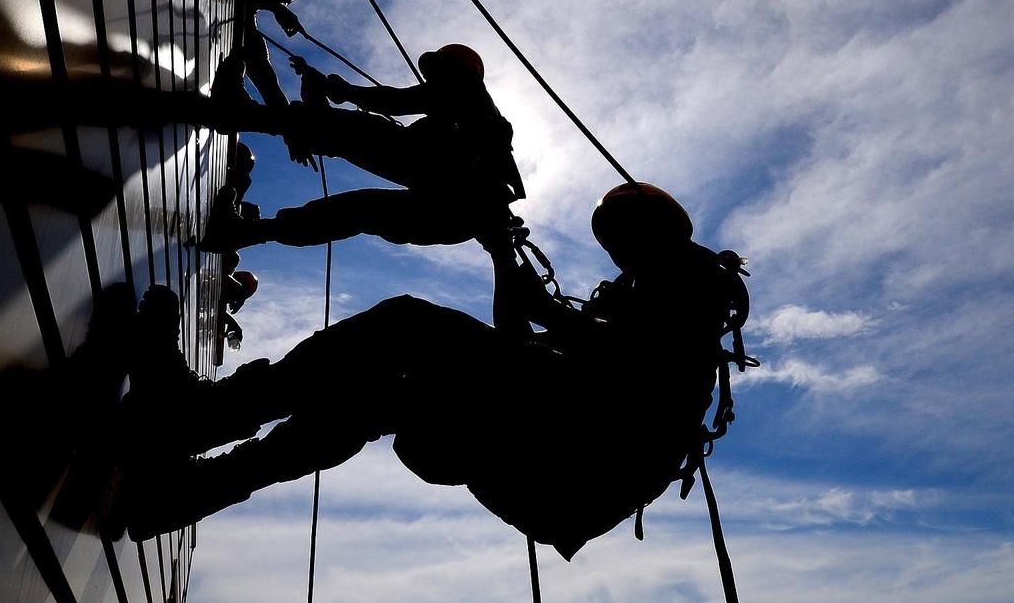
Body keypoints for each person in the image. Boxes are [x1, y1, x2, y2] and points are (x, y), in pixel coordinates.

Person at [116, 183, 753, 560]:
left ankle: (197, 418)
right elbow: (518, 344)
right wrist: (506, 261)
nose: (614, 256)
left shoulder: (693, 283)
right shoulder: (657, 290)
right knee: (378, 399)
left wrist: (549, 314)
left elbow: (630, 370)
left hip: (574, 455)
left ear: (651, 231)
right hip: (556, 460)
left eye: (616, 238)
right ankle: (185, 492)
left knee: (405, 323)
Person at [197, 43, 527, 251]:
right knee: (353, 209)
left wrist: (340, 90)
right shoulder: (472, 124)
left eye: (438, 71)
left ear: (456, 70)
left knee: (354, 146)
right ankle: (241, 233)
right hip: (459, 210)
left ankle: (241, 113)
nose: (430, 79)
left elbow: (395, 102)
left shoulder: (465, 94)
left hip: (454, 197)